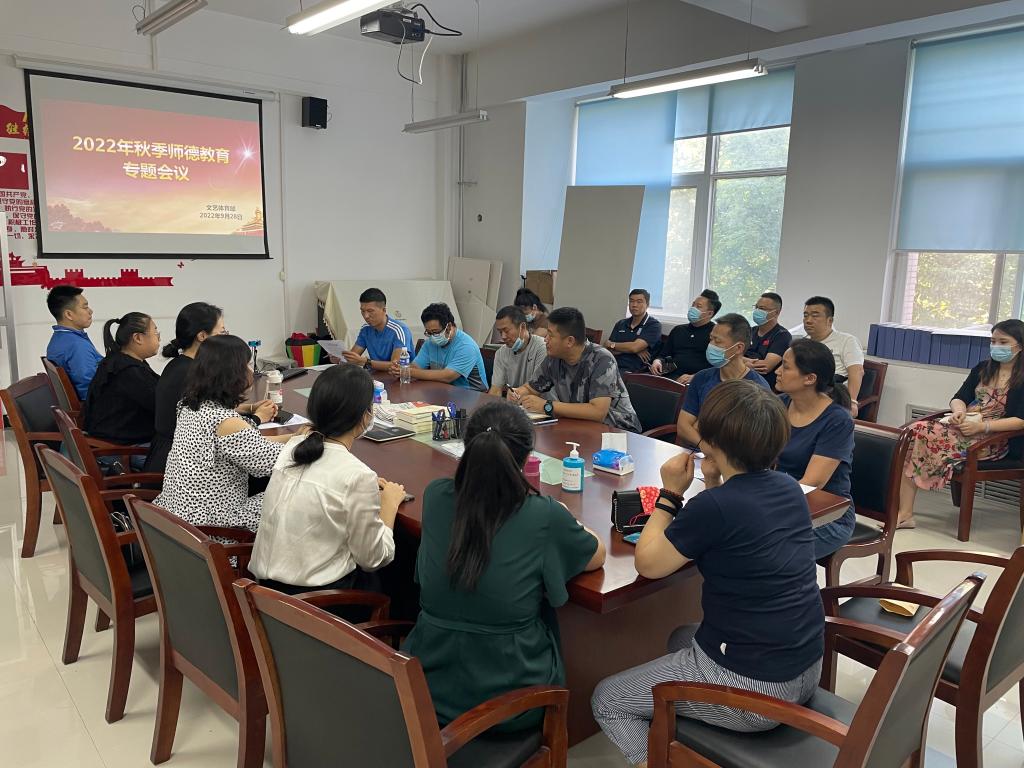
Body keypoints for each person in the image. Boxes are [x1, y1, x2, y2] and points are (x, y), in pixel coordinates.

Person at [592, 381, 824, 767]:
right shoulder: (788, 488)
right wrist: (714, 481)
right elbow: (732, 521)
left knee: (608, 699)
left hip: (757, 692)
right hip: (804, 667)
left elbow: (648, 563)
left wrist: (670, 494)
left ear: (712, 442)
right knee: (680, 637)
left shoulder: (715, 508)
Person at [403, 401, 605, 731]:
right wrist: (569, 521)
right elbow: (595, 555)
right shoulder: (543, 514)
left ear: (468, 448)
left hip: (426, 687)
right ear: (527, 459)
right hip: (510, 703)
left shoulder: (437, 495)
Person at [251, 364, 405, 597]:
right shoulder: (358, 475)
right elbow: (373, 559)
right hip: (317, 602)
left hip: (266, 592)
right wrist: (389, 504)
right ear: (364, 415)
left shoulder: (294, 447)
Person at [155, 335, 291, 533]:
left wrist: (293, 437)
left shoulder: (188, 405)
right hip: (212, 528)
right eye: (247, 365)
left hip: (177, 516)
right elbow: (275, 461)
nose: (251, 371)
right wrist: (305, 440)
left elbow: (249, 442)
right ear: (232, 374)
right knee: (291, 496)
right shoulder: (226, 423)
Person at [898, 319, 1024, 529]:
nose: (996, 346)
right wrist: (959, 412)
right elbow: (959, 397)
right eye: (993, 341)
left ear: (1019, 345)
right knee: (911, 435)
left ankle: (904, 513)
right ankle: (904, 513)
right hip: (964, 428)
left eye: (1003, 342)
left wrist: (982, 427)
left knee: (919, 434)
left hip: (993, 440)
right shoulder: (982, 368)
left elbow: (1020, 421)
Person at [145, 303, 276, 474]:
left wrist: (250, 408)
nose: (226, 337)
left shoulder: (179, 365)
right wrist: (257, 418)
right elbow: (217, 425)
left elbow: (210, 409)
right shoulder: (192, 374)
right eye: (222, 332)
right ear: (202, 336)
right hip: (183, 466)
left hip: (173, 457)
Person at [773, 340, 856, 559]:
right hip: (780, 503)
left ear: (810, 379)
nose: (777, 371)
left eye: (786, 367)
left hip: (827, 514)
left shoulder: (837, 421)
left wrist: (764, 503)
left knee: (763, 544)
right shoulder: (777, 405)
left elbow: (812, 483)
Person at [512, 307, 642, 432]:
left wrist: (547, 406)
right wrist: (518, 393)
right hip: (582, 427)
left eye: (550, 336)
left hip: (619, 431)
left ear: (570, 341)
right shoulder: (554, 358)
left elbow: (598, 412)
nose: (545, 340)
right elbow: (531, 388)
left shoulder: (602, 359)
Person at [676, 313, 769, 448]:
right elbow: (683, 427)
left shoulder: (757, 388)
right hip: (695, 452)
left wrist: (699, 425)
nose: (711, 345)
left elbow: (746, 439)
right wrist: (707, 448)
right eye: (711, 339)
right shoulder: (702, 378)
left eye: (717, 341)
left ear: (738, 348)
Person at [82, 313, 161, 447]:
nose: (159, 338)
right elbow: (161, 406)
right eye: (155, 333)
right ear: (138, 338)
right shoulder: (128, 372)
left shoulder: (119, 361)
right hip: (120, 449)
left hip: (112, 440)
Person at [390, 302, 488, 391]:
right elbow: (416, 367)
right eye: (429, 333)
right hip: (443, 391)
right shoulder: (430, 343)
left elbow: (447, 376)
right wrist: (399, 370)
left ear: (449, 327)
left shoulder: (466, 346)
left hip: (471, 395)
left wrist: (407, 371)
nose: (432, 337)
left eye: (435, 332)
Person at [799, 296, 865, 417]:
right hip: (803, 390)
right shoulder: (802, 344)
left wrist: (852, 402)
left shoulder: (846, 341)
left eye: (815, 316)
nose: (808, 320)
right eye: (805, 315)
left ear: (830, 320)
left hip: (832, 393)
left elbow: (857, 371)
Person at [45, 285, 103, 401]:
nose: (90, 311)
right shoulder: (77, 346)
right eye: (85, 307)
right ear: (69, 315)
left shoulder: (58, 340)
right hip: (95, 407)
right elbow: (91, 388)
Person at [650, 289, 720, 384]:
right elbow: (663, 354)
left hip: (697, 380)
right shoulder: (678, 330)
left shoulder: (715, 334)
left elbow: (718, 367)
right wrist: (657, 361)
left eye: (698, 306)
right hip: (670, 375)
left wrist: (696, 377)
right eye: (693, 305)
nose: (693, 308)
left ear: (710, 313)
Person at [340, 288, 414, 371]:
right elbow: (353, 357)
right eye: (363, 311)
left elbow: (396, 366)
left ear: (384, 310)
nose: (366, 316)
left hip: (397, 376)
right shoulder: (366, 329)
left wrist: (366, 362)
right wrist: (341, 359)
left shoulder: (400, 330)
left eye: (370, 311)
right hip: (374, 375)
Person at [487, 305, 547, 396]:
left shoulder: (542, 348)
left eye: (506, 331)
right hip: (514, 401)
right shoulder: (501, 353)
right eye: (500, 332)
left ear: (522, 327)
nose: (503, 337)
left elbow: (538, 389)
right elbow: (496, 389)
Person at [604, 289, 663, 373]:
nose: (634, 305)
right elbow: (608, 349)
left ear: (647, 305)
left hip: (634, 372)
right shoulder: (621, 323)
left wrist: (612, 345)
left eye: (639, 302)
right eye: (631, 301)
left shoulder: (654, 325)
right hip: (611, 365)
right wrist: (632, 350)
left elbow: (634, 347)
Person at [744, 291, 791, 390]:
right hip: (743, 384)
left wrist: (740, 361)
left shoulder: (782, 336)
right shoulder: (750, 331)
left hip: (764, 389)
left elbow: (765, 366)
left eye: (762, 309)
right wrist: (745, 362)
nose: (757, 311)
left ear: (776, 312)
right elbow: (732, 355)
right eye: (756, 307)